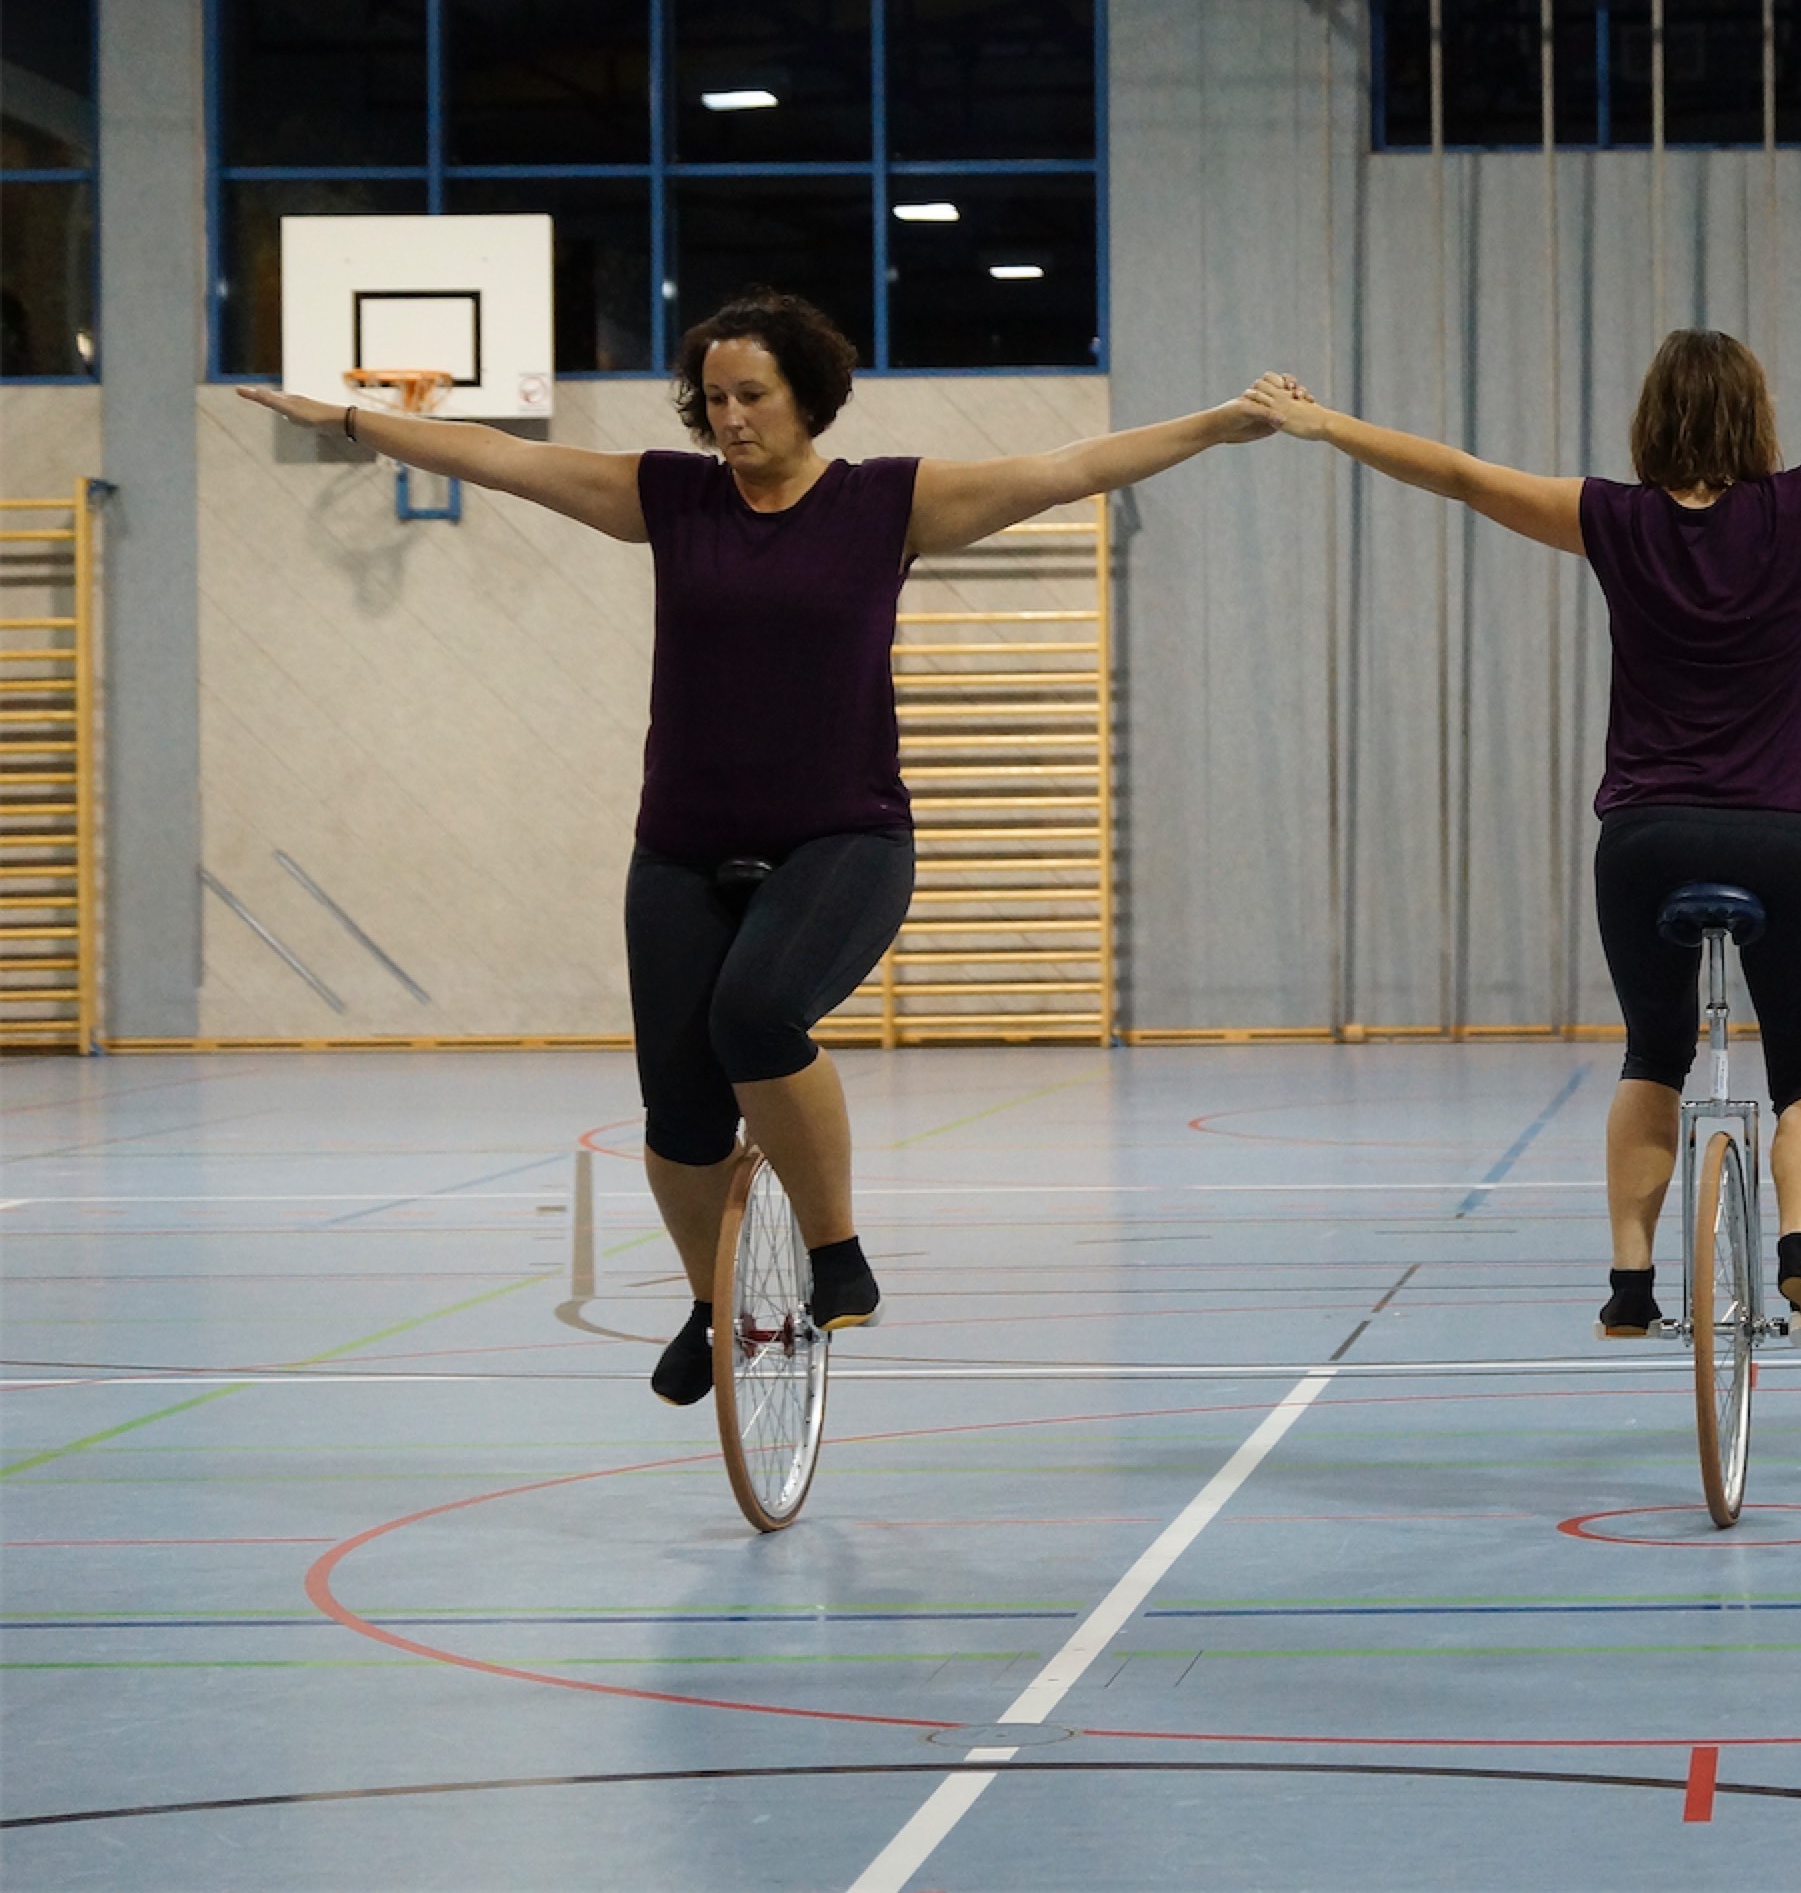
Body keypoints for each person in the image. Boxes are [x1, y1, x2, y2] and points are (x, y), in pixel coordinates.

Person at [241, 288, 1280, 1406]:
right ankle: (710, 1304)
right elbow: (503, 459)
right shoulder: (670, 497)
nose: (730, 418)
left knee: (755, 1014)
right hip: (681, 846)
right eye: (715, 399)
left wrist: (1220, 423)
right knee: (680, 1111)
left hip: (844, 837)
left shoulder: (890, 504)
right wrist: (353, 420)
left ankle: (836, 1248)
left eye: (753, 396)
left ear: (808, 397)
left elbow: (1070, 469)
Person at [1246, 327, 1801, 1344]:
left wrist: (1325, 424)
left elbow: (1460, 476)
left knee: (1654, 1052)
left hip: (1645, 837)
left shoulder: (1609, 517)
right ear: (1757, 417)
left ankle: (1631, 1284)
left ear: (1650, 421)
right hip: (1780, 834)